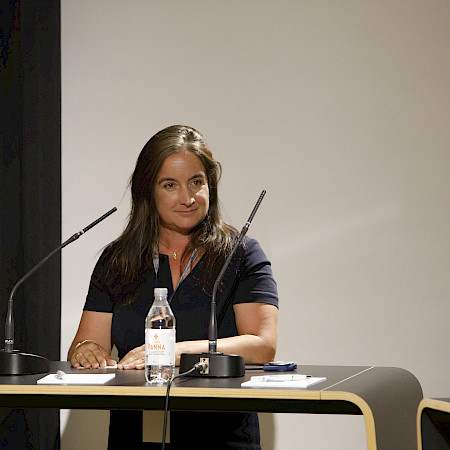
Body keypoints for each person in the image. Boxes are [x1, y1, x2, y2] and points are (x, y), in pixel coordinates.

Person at [68, 125, 279, 449]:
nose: (188, 198)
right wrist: (86, 351)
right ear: (147, 191)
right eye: (170, 185)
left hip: (222, 438)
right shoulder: (117, 260)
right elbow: (86, 343)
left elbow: (262, 346)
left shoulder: (241, 254)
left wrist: (173, 352)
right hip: (135, 436)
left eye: (197, 182)